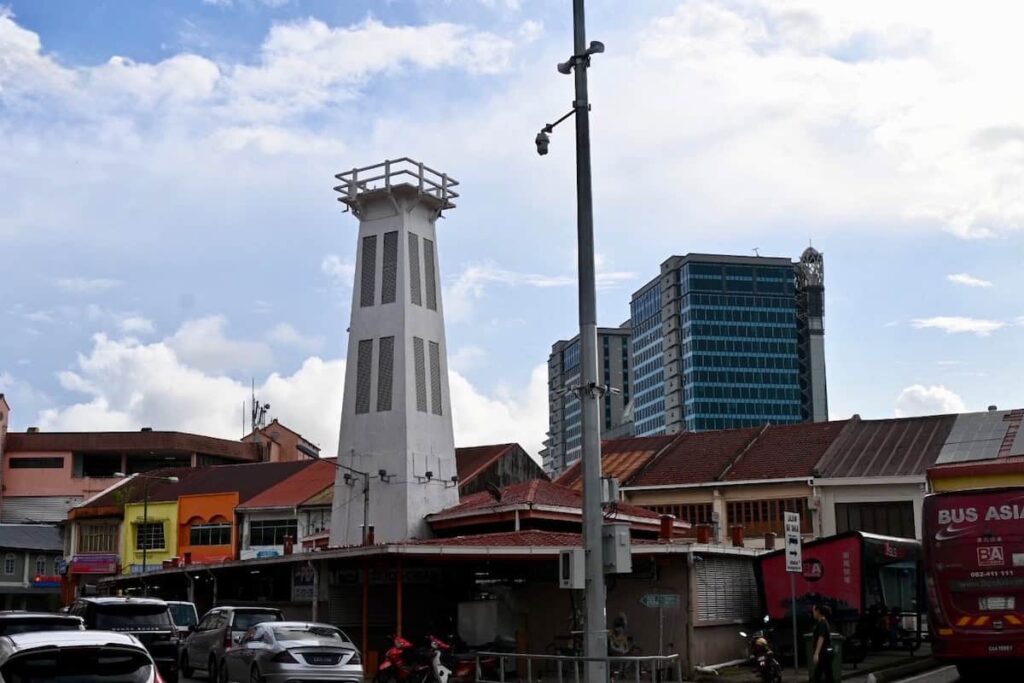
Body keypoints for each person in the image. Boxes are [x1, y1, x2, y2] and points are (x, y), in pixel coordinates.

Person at [811, 604, 834, 683]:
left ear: (818, 612)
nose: (813, 613)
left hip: (824, 652)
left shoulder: (822, 623)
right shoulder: (822, 622)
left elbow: (821, 638)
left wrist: (816, 653)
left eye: (814, 611)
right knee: (828, 674)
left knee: (818, 675)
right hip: (826, 652)